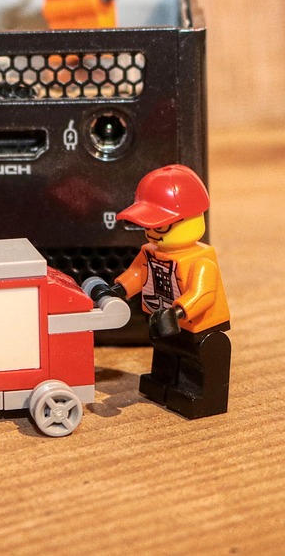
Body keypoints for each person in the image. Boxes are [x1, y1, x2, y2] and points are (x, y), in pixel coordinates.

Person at [93, 164, 231, 418]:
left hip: (197, 327)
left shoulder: (200, 261)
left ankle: (196, 394)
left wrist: (176, 313)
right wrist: (118, 290)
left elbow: (203, 295)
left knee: (196, 358)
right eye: (148, 226)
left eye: (160, 226)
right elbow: (137, 274)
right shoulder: (151, 253)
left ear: (190, 220)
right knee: (165, 352)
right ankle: (163, 383)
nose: (152, 234)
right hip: (163, 320)